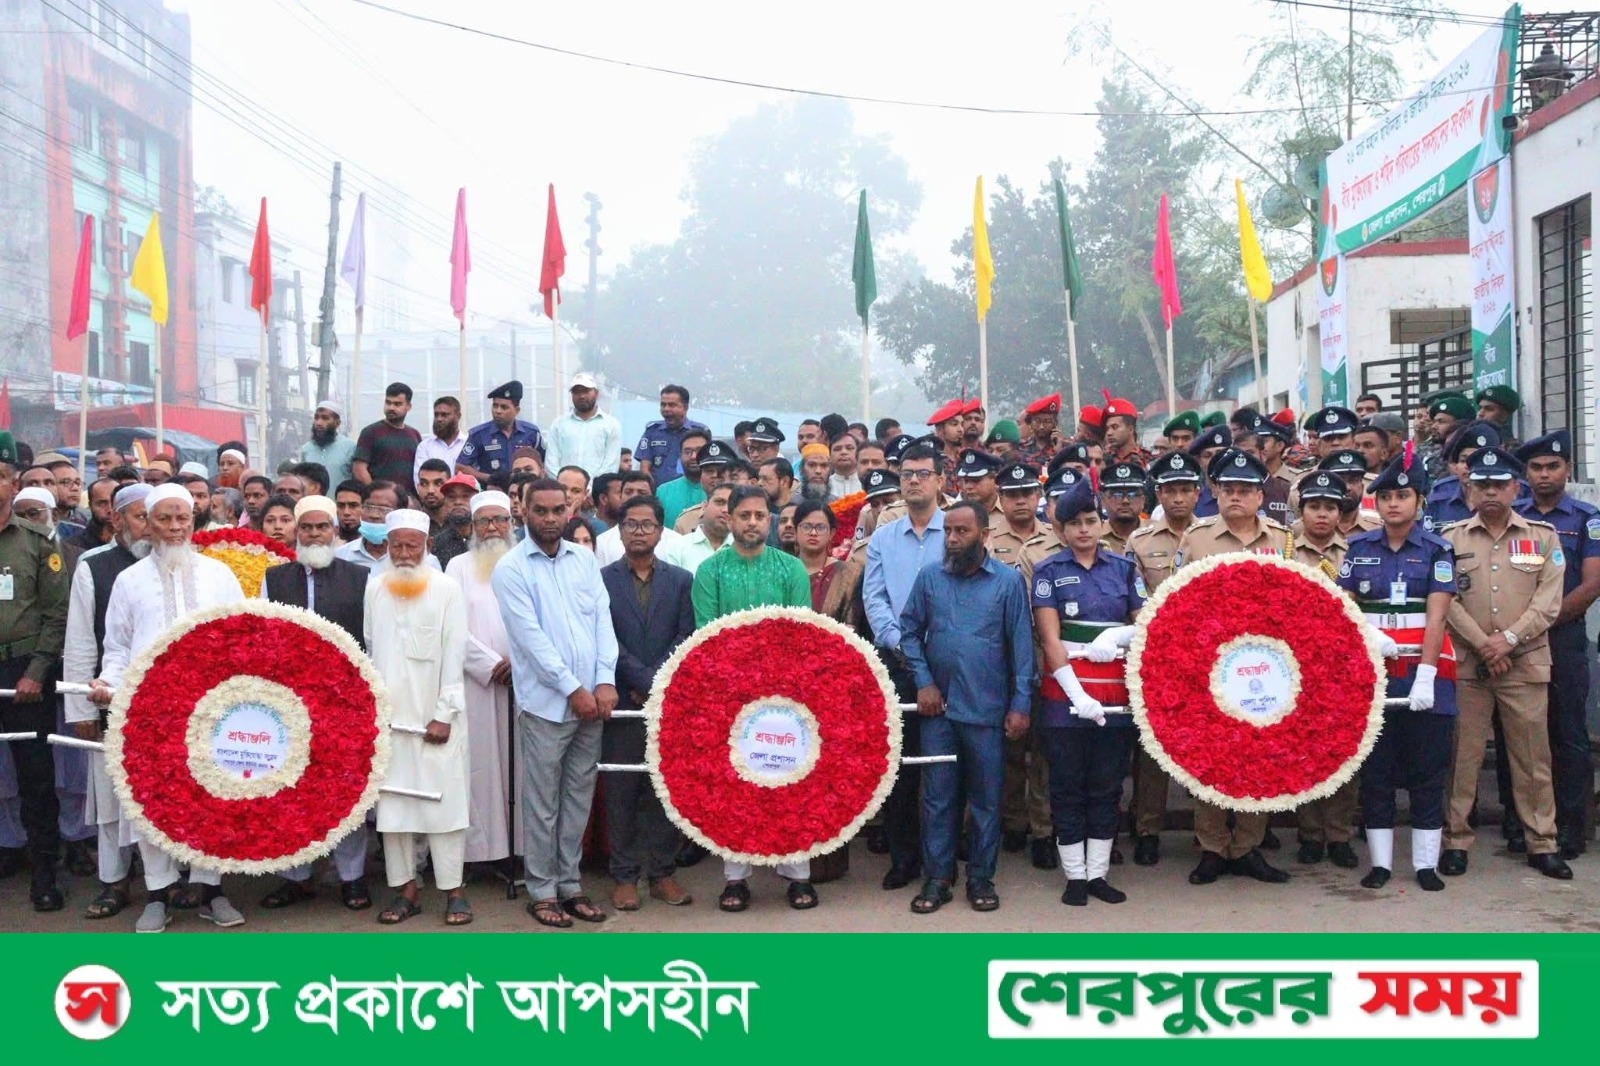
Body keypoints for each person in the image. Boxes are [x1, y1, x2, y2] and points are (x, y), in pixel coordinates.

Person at [91, 483, 246, 931]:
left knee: (211, 800)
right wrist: (107, 682)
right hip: (150, 712)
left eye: (183, 518)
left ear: (194, 521)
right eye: (164, 518)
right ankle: (157, 893)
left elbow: (242, 638)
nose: (175, 527)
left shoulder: (219, 574)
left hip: (212, 711)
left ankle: (211, 890)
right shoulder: (129, 580)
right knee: (153, 801)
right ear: (148, 524)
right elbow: (118, 648)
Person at [494, 477, 619, 928]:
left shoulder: (584, 560)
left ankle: (571, 885)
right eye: (540, 511)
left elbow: (603, 622)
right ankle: (542, 891)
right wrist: (573, 690)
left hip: (593, 702)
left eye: (557, 510)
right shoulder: (510, 568)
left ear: (570, 511)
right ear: (524, 512)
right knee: (543, 803)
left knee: (578, 798)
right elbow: (530, 641)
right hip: (547, 705)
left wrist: (604, 680)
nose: (550, 519)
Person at [1440, 447, 1569, 881]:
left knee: (1533, 760)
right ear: (1469, 489)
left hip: (1525, 664)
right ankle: (1456, 841)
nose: (1490, 492)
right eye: (1482, 485)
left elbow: (1548, 602)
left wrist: (1509, 640)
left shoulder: (1543, 537)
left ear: (1516, 488)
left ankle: (1542, 842)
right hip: (1469, 665)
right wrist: (1484, 645)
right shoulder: (1450, 539)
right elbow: (1445, 600)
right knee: (1462, 758)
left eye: (1499, 485)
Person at [901, 501, 1033, 914]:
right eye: (948, 532)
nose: (953, 539)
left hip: (987, 710)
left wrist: (1020, 703)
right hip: (938, 710)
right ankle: (938, 878)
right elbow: (909, 633)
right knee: (938, 798)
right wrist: (923, 682)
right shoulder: (930, 578)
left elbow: (1022, 647)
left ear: (984, 535)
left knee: (986, 800)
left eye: (962, 532)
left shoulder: (1008, 582)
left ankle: (981, 878)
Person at [691, 485, 816, 911]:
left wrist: (776, 683)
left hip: (785, 696)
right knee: (736, 787)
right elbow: (706, 635)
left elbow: (801, 633)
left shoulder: (790, 569)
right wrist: (739, 682)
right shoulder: (711, 570)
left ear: (770, 520)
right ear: (729, 519)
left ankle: (797, 876)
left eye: (760, 515)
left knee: (790, 781)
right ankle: (735, 879)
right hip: (728, 696)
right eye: (744, 515)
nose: (752, 522)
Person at [1337, 450, 1456, 891]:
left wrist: (1425, 674)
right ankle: (1381, 864)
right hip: (1374, 676)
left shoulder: (1438, 550)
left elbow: (1437, 618)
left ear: (1419, 501)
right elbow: (1345, 607)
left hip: (1426, 674)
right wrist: (1369, 636)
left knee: (1427, 774)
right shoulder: (1358, 548)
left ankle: (1425, 865)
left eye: (1403, 496)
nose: (1393, 504)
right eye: (1386, 496)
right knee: (1377, 774)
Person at [1173, 449, 1292, 885]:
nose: (1236, 497)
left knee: (1258, 756)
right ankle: (1212, 847)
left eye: (1245, 490)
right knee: (1212, 756)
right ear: (1216, 494)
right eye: (1228, 490)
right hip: (1211, 664)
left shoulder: (1284, 540)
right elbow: (1177, 599)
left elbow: (1297, 599)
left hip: (1266, 665)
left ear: (1261, 496)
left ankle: (1247, 845)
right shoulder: (1197, 538)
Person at [1032, 477, 1145, 907]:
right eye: (1074, 523)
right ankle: (1075, 877)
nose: (1083, 529)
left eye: (1090, 521)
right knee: (1066, 787)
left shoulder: (1124, 569)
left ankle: (1098, 873)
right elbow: (1050, 641)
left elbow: (1146, 624)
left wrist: (1118, 634)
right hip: (1066, 699)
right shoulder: (1048, 572)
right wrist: (1077, 696)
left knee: (1107, 786)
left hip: (1114, 699)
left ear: (1101, 523)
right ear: (1061, 529)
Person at [258, 495, 373, 910]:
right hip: (289, 701)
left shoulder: (361, 578)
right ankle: (295, 876)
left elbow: (370, 641)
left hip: (344, 701)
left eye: (322, 527)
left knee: (345, 790)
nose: (314, 534)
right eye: (306, 527)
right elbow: (265, 636)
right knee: (291, 789)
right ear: (296, 532)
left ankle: (352, 877)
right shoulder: (274, 578)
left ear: (335, 531)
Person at [365, 509, 473, 926]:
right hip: (389, 723)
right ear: (387, 547)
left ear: (427, 546)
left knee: (445, 810)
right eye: (397, 546)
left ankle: (453, 891)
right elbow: (370, 649)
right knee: (394, 813)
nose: (405, 554)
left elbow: (455, 655)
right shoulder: (375, 588)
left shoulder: (446, 589)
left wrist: (444, 715)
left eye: (413, 546)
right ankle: (405, 890)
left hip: (436, 720)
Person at [599, 495, 695, 910]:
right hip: (621, 698)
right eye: (631, 524)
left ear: (660, 531)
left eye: (647, 524)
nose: (639, 531)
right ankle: (624, 876)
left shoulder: (681, 580)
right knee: (620, 790)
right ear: (620, 531)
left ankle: (662, 873)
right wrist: (640, 679)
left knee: (663, 787)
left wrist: (656, 681)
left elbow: (686, 634)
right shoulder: (601, 580)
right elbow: (603, 637)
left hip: (665, 701)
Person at [62, 484, 150, 920]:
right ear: (116, 519)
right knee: (111, 801)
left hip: (165, 706)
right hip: (108, 698)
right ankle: (114, 882)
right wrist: (81, 708)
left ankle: (171, 884)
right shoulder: (93, 566)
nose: (149, 527)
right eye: (139, 517)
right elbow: (81, 641)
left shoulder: (175, 564)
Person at [1513, 430, 1600, 858]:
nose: (1544, 474)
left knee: (1568, 734)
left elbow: (1592, 584)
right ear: (1525, 473)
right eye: (1536, 468)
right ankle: (1520, 823)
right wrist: (1521, 631)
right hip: (1517, 641)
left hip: (1562, 638)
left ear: (1568, 469)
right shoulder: (1515, 515)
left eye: (1553, 466)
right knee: (1520, 735)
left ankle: (1570, 826)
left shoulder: (1586, 518)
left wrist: (1540, 623)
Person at [863, 444, 945, 891]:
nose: (914, 480)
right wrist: (903, 645)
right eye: (907, 473)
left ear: (940, 480)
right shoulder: (883, 537)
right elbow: (874, 598)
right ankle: (903, 858)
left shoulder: (955, 530)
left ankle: (942, 856)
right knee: (899, 764)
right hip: (896, 664)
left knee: (943, 763)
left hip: (947, 662)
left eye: (923, 473)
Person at [0, 435, 69, 913]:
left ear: (13, 484)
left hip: (23, 671)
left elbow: (55, 614)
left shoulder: (37, 542)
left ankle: (44, 873)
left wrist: (37, 672)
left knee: (35, 777)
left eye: (1, 476)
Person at [1126, 451, 1203, 864]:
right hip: (1158, 657)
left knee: (1208, 744)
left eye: (1185, 490)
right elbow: (1136, 602)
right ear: (1158, 494)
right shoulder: (1139, 542)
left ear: (1197, 493)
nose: (1177, 498)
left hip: (1208, 659)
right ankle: (1147, 828)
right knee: (1153, 749)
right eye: (1170, 490)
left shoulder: (1210, 536)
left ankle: (1209, 834)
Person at [984, 460, 1061, 869]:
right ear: (1001, 498)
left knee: (1044, 751)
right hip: (1003, 656)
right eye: (1011, 495)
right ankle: (1013, 821)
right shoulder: (987, 539)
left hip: (1047, 655)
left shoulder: (1055, 538)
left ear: (1038, 496)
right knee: (1010, 746)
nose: (1019, 501)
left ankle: (1043, 829)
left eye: (1026, 494)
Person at [1287, 471, 1361, 869]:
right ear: (1301, 510)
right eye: (1314, 506)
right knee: (1304, 752)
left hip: (1342, 664)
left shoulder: (1355, 550)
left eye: (1330, 507)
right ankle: (1310, 833)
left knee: (1344, 752)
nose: (1321, 514)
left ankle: (1340, 834)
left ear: (1340, 512)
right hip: (1296, 665)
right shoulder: (1285, 550)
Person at [444, 491, 519, 875]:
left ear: (511, 523)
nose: (492, 528)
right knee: (481, 768)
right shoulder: (457, 567)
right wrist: (490, 665)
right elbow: (450, 624)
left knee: (521, 769)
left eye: (500, 520)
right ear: (472, 527)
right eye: (484, 521)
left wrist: (521, 663)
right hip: (478, 684)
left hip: (525, 682)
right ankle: (484, 855)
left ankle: (521, 852)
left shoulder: (526, 561)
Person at [335, 481, 440, 573]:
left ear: (400, 513)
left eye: (383, 509)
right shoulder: (341, 556)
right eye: (369, 507)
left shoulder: (425, 561)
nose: (374, 515)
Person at [458, 380, 545, 492]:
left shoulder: (531, 433)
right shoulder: (478, 435)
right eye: (495, 406)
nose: (498, 411)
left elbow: (543, 463)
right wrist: (490, 478)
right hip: (492, 492)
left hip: (525, 492)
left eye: (504, 407)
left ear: (516, 410)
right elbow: (460, 467)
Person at [544, 372, 622, 478]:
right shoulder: (558, 424)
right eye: (576, 392)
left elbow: (611, 464)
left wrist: (591, 486)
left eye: (586, 391)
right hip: (564, 487)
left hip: (597, 487)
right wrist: (566, 484)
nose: (581, 396)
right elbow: (551, 463)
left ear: (596, 393)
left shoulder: (611, 425)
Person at [595, 472, 683, 566]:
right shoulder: (602, 543)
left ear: (653, 497)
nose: (634, 496)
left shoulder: (676, 541)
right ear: (621, 497)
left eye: (642, 493)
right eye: (628, 492)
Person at [1425, 422, 1499, 530]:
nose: (1468, 466)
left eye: (1476, 461)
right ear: (1455, 466)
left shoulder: (1509, 496)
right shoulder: (1440, 494)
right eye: (1463, 460)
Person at [354, 382, 423, 497]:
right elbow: (359, 469)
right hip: (380, 501)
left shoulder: (415, 435)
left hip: (409, 501)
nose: (391, 408)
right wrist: (377, 495)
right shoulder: (370, 432)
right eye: (388, 402)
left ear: (408, 406)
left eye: (397, 404)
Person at [635, 385, 710, 486]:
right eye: (663, 405)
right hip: (659, 492)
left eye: (671, 405)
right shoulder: (651, 432)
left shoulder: (700, 432)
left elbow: (708, 466)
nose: (666, 409)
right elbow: (644, 469)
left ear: (685, 407)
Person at [793, 499, 850, 621]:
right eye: (806, 527)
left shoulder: (847, 574)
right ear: (795, 531)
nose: (813, 533)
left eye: (821, 527)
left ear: (831, 533)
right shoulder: (784, 570)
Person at [661, 482, 733, 576]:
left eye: (732, 505)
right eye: (719, 502)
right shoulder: (676, 547)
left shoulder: (745, 551)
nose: (726, 510)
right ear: (704, 506)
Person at [654, 428, 712, 529]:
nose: (693, 456)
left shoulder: (720, 490)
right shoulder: (663, 492)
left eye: (699, 451)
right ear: (680, 456)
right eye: (687, 452)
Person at [299, 399, 358, 487]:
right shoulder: (306, 449)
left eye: (325, 418)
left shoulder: (350, 447)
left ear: (337, 423)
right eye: (316, 418)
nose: (319, 423)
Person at [414, 396, 468, 489]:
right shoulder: (425, 447)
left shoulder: (468, 444)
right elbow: (419, 480)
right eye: (436, 415)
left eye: (444, 415)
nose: (439, 419)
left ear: (458, 416)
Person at [1253, 416, 1297, 528]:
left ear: (1279, 446)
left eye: (1264, 441)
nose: (1260, 446)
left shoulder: (1295, 478)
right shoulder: (1249, 478)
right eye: (1256, 441)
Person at [431, 474, 479, 571]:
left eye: (465, 496)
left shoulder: (486, 539)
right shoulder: (436, 544)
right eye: (451, 497)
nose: (458, 502)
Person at [1422, 393, 1474, 481]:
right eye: (1434, 421)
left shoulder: (1473, 453)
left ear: (1459, 424)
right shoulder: (1426, 450)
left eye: (1441, 422)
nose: (1434, 426)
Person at [1098, 460, 1145, 557]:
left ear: (1143, 500)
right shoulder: (1093, 536)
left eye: (1132, 495)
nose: (1125, 501)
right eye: (1117, 495)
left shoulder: (1157, 535)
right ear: (1103, 500)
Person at [1101, 395, 1149, 466]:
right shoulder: (1102, 461)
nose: (1109, 433)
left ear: (1130, 429)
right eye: (1107, 429)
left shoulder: (1147, 459)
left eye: (1115, 427)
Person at [1017, 394, 1063, 467]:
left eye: (1047, 422)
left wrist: (1059, 451)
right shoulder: (1020, 447)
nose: (1041, 426)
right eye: (1037, 421)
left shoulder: (1065, 446)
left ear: (1055, 423)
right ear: (1030, 422)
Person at [955, 449, 1002, 517]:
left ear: (995, 480)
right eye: (966, 481)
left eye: (976, 480)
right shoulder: (951, 512)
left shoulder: (1009, 509)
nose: (968, 486)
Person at [416, 459, 453, 535]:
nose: (430, 490)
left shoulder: (461, 521)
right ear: (418, 487)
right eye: (423, 484)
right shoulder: (413, 524)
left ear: (450, 486)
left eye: (438, 484)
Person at [828, 433, 862, 500]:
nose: (843, 452)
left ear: (859, 454)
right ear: (830, 457)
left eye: (849, 448)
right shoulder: (825, 485)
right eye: (837, 449)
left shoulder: (866, 483)